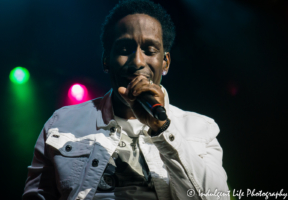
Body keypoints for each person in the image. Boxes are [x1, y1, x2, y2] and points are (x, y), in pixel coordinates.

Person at [22, 0, 229, 199]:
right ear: (106, 60)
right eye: (124, 50)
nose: (137, 61)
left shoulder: (201, 128)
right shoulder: (61, 125)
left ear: (165, 63)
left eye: (150, 50)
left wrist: (163, 130)